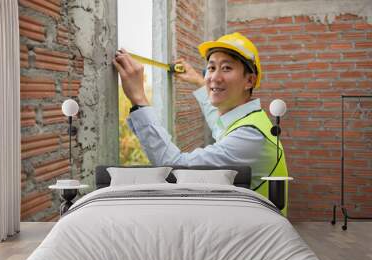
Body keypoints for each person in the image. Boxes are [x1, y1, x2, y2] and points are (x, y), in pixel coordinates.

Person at [113, 32, 288, 209]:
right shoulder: (250, 119)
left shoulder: (250, 137)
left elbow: (176, 168)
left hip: (254, 233)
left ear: (249, 80)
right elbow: (217, 122)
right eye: (211, 68)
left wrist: (139, 100)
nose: (215, 77)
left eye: (226, 68)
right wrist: (201, 82)